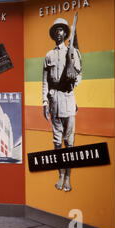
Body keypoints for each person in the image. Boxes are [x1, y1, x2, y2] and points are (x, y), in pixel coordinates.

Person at [42, 17, 82, 192]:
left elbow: (79, 74)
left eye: (61, 30)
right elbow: (45, 82)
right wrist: (44, 102)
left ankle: (68, 178)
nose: (58, 33)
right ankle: (60, 175)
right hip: (54, 101)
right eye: (56, 30)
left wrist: (73, 81)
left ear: (66, 33)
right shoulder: (49, 55)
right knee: (57, 143)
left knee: (70, 143)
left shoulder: (73, 53)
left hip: (68, 99)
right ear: (54, 34)